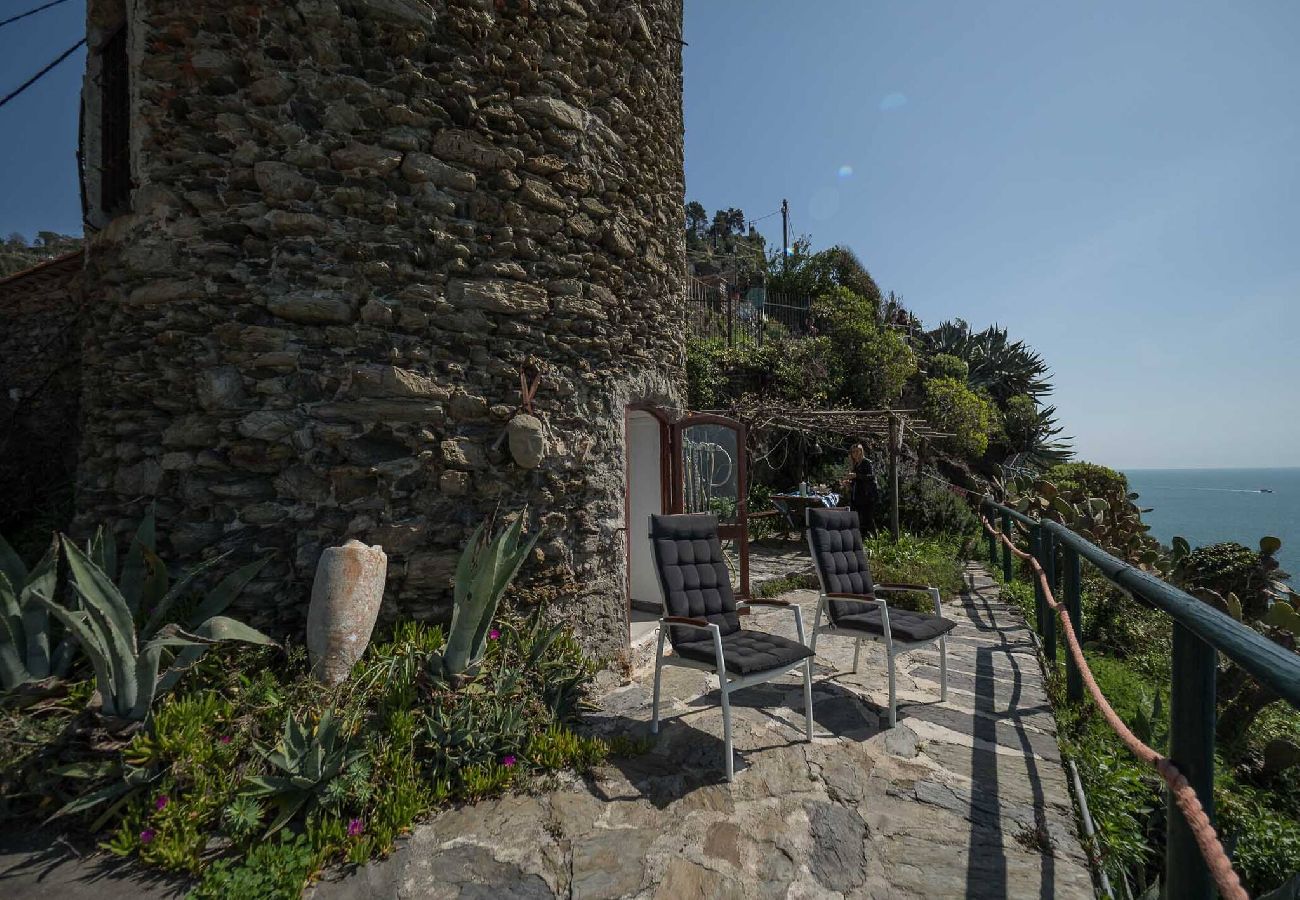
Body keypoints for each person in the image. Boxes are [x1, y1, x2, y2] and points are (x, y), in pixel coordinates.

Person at [842, 443, 879, 532]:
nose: (855, 454)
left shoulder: (867, 462)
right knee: (858, 518)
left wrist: (856, 475)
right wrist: (849, 483)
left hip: (867, 495)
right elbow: (856, 481)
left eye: (857, 451)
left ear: (861, 452)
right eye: (853, 452)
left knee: (868, 518)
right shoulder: (856, 465)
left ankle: (874, 539)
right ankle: (862, 538)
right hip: (857, 495)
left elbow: (871, 477)